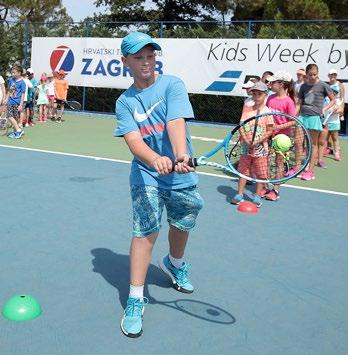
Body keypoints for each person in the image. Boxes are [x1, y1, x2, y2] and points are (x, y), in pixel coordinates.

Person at [114, 31, 203, 338]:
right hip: (145, 175)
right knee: (145, 231)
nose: (146, 62)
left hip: (180, 173)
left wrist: (180, 154)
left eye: (150, 56)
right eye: (139, 57)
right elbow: (134, 142)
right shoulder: (124, 102)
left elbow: (176, 121)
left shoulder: (172, 85)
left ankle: (175, 262)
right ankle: (136, 299)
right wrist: (155, 159)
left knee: (182, 222)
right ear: (125, 61)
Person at [230, 81, 274, 208]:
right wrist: (248, 141)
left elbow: (270, 130)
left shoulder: (268, 112)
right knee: (243, 171)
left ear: (265, 95)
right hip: (246, 146)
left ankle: (257, 195)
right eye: (254, 93)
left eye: (259, 94)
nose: (256, 96)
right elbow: (242, 127)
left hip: (260, 148)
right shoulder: (247, 109)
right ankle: (239, 194)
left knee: (261, 173)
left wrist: (257, 142)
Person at [295, 64, 336, 181]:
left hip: (314, 118)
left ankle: (310, 171)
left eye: (315, 74)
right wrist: (294, 116)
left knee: (313, 145)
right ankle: (298, 168)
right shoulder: (303, 86)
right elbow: (298, 103)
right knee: (298, 142)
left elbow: (333, 100)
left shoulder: (323, 85)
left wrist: (324, 109)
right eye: (310, 74)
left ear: (318, 73)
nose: (312, 77)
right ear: (306, 74)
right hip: (302, 117)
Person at [265, 71, 296, 201]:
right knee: (264, 161)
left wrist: (278, 127)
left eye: (273, 82)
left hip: (282, 138)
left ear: (281, 84)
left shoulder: (289, 101)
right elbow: (264, 114)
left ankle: (275, 190)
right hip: (267, 135)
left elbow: (293, 121)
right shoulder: (270, 98)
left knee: (279, 163)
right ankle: (264, 187)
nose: (270, 84)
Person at [318, 84, 344, 165]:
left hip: (335, 122)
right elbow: (322, 109)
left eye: (336, 92)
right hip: (326, 122)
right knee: (324, 139)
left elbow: (341, 110)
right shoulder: (325, 100)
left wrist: (336, 111)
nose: (334, 93)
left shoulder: (338, 100)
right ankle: (322, 153)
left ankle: (337, 153)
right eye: (333, 92)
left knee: (335, 138)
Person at [5, 65, 26, 139]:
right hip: (10, 101)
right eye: (12, 73)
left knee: (12, 117)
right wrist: (6, 99)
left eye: (14, 73)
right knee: (10, 116)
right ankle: (16, 132)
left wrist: (21, 105)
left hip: (16, 102)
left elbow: (23, 94)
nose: (12, 74)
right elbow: (9, 90)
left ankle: (18, 130)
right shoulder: (11, 80)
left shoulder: (22, 83)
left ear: (19, 73)